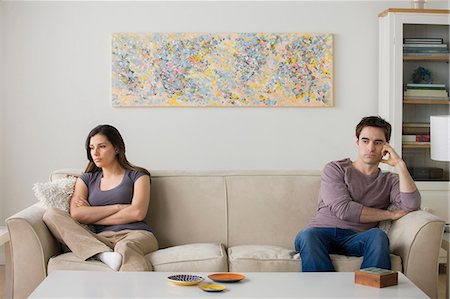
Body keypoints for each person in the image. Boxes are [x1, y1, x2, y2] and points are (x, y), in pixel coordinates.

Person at [294, 116, 421, 272]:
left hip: (357, 237)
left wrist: (400, 165)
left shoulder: (390, 180)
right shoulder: (336, 169)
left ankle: (371, 292)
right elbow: (343, 209)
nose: (370, 148)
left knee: (377, 236)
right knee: (308, 235)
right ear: (357, 142)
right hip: (320, 233)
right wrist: (389, 214)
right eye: (365, 141)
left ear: (386, 147)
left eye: (378, 142)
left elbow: (412, 205)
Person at [43, 124, 158, 271]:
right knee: (51, 214)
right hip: (100, 239)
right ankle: (102, 253)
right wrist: (119, 207)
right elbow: (78, 214)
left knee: (125, 247)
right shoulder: (86, 179)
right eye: (91, 148)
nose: (95, 153)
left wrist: (92, 214)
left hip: (136, 234)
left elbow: (137, 213)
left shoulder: (139, 176)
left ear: (116, 148)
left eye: (102, 146)